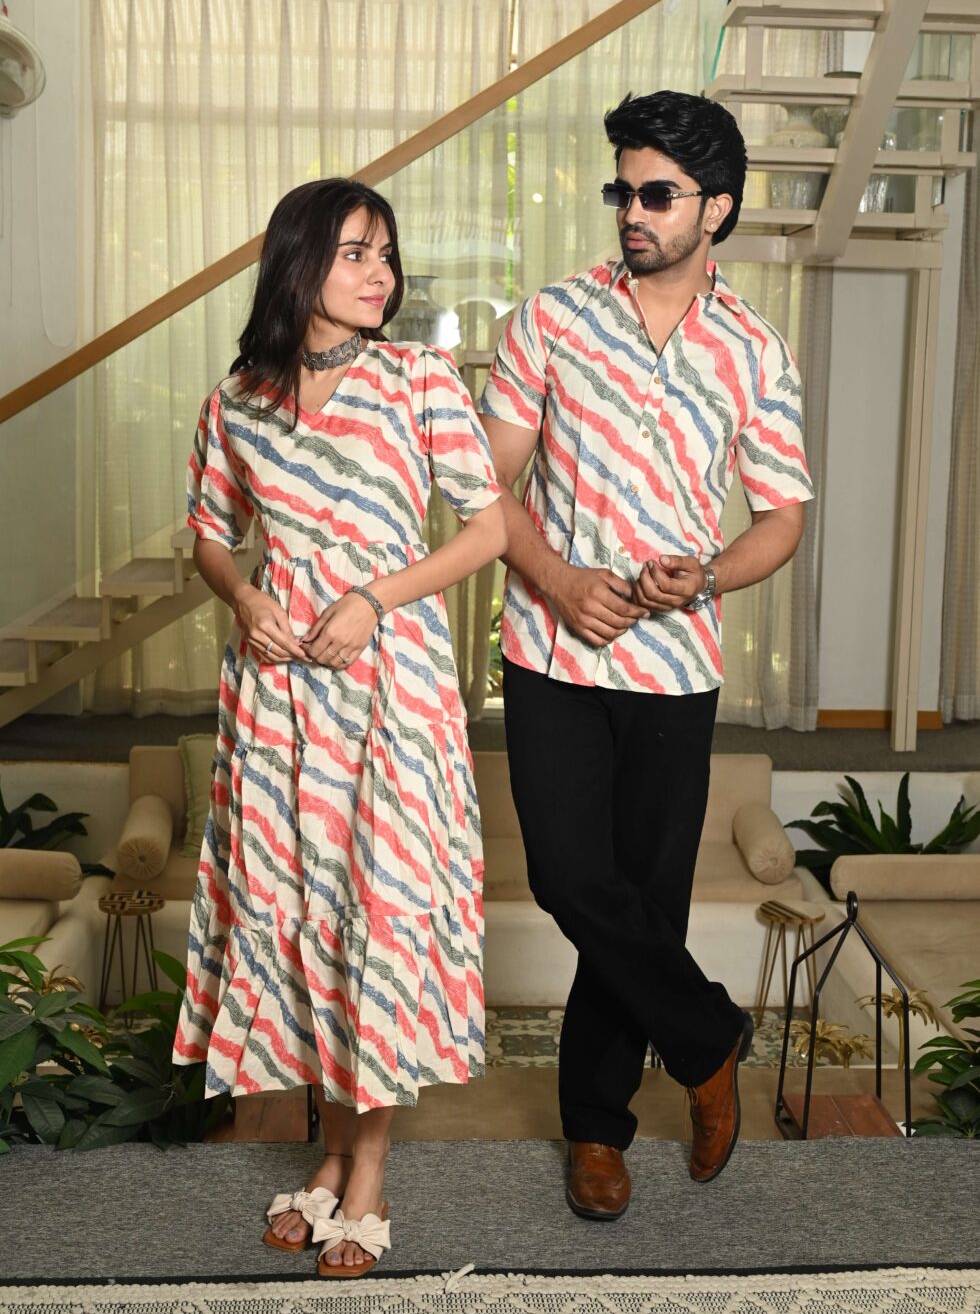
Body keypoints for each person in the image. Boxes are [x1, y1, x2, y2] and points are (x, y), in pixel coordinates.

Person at [478, 90, 814, 1219]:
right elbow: (486, 484)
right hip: (551, 650)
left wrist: (709, 573)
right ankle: (709, 1038)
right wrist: (559, 579)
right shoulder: (551, 319)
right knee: (571, 880)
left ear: (714, 208)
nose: (631, 210)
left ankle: (596, 1130)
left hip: (676, 665)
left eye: (656, 193)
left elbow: (779, 517)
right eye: (620, 190)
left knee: (645, 903)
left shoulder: (754, 350)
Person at [173, 177, 506, 1277]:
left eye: (386, 254)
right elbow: (209, 534)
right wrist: (243, 595)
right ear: (298, 261)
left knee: (375, 913)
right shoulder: (238, 400)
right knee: (306, 919)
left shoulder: (419, 380)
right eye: (357, 252)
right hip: (277, 697)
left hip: (387, 688)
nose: (380, 274)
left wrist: (374, 597)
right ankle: (329, 1157)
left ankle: (366, 1172)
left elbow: (488, 531)